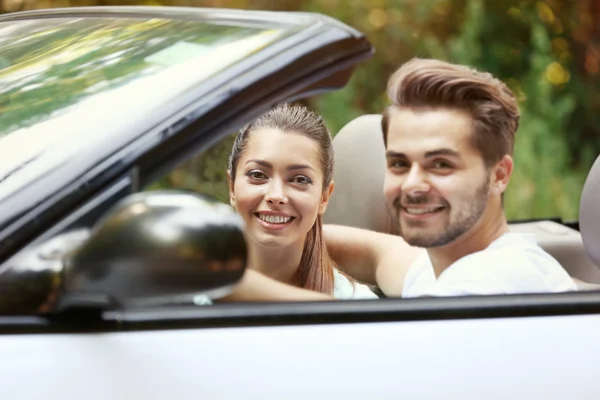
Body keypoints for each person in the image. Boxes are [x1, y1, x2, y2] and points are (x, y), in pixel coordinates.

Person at [323, 57, 578, 297]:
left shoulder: (483, 288)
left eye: (441, 165)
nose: (412, 185)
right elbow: (378, 253)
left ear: (498, 175)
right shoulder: (457, 264)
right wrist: (290, 234)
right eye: (399, 164)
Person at [216, 103, 378, 302]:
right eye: (258, 175)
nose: (276, 195)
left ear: (324, 197)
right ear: (232, 187)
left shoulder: (358, 308)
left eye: (300, 180)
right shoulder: (185, 294)